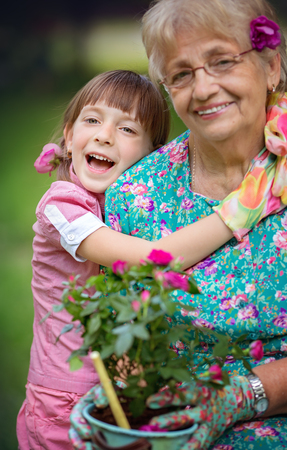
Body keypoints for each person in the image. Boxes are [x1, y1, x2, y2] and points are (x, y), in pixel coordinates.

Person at [70, 1, 287, 449]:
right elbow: (124, 348)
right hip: (175, 429)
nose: (204, 88)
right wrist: (121, 419)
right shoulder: (135, 192)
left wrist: (241, 395)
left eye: (221, 61)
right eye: (181, 74)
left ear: (271, 66)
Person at [17, 68, 272, 450]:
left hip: (120, 391)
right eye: (92, 120)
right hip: (63, 397)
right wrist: (238, 212)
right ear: (69, 137)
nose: (104, 134)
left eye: (127, 129)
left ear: (150, 158)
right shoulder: (61, 206)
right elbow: (155, 259)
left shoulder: (128, 207)